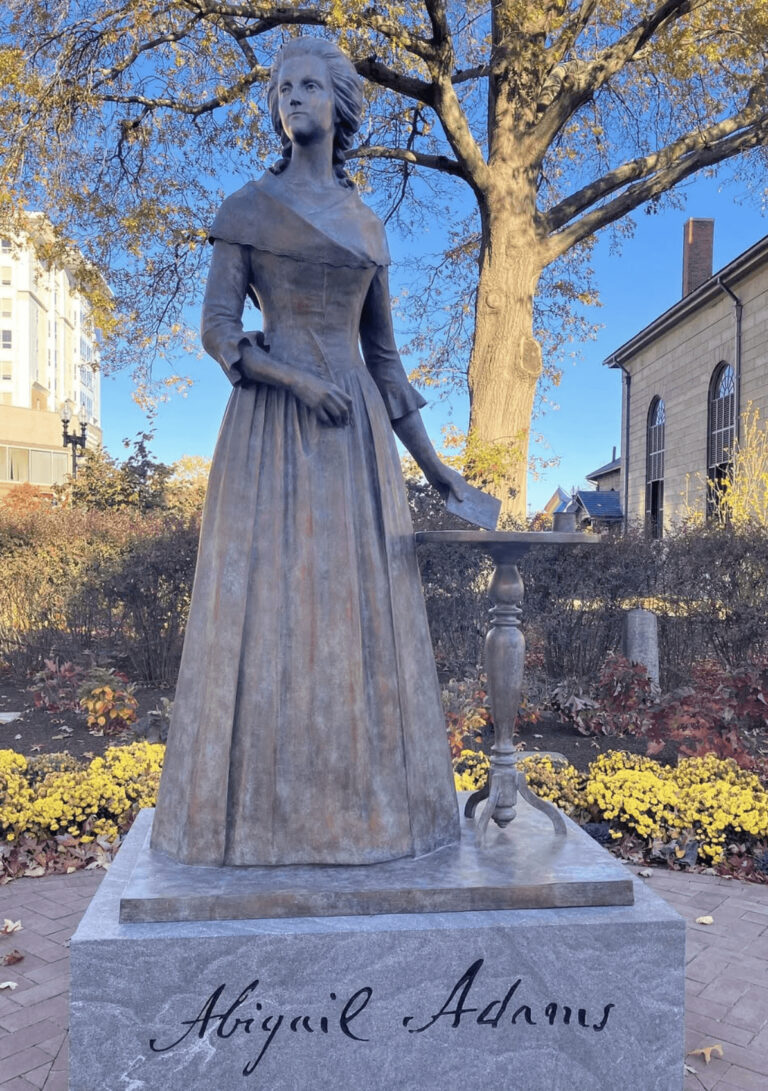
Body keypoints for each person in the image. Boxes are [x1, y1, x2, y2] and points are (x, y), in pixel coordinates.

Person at [150, 37, 466, 867]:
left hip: (357, 443)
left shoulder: (366, 223)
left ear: (339, 103)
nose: (292, 97)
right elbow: (217, 330)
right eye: (282, 87)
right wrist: (290, 378)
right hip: (270, 436)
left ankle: (368, 815)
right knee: (269, 612)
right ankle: (253, 820)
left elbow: (387, 361)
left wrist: (437, 469)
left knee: (357, 625)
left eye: (307, 86)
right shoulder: (246, 209)